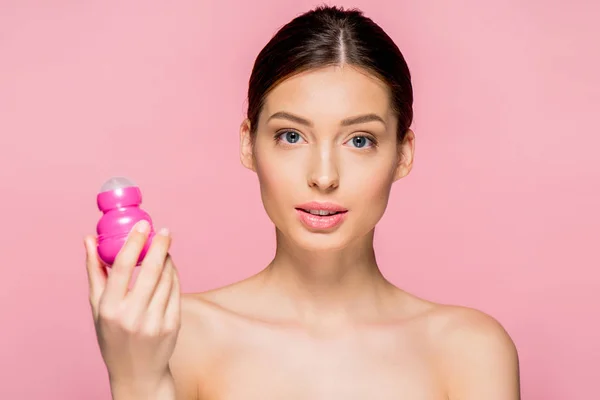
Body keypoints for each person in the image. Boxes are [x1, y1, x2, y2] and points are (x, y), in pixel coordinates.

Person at [84, 5, 521, 399]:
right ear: (249, 144)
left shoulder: (471, 350)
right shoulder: (177, 335)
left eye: (360, 140)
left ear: (402, 154)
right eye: (291, 136)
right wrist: (137, 381)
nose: (324, 177)